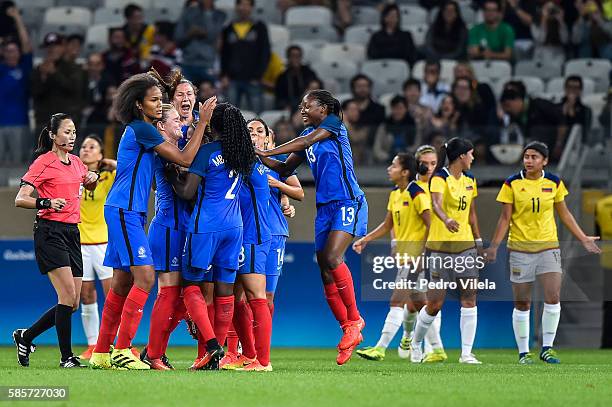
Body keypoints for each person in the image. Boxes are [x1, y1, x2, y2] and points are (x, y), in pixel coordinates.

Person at [88, 73, 216, 370]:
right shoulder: (141, 129)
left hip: (127, 210)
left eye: (161, 100)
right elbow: (184, 158)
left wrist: (171, 90)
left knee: (122, 282)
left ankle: (102, 352)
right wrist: (204, 122)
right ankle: (123, 350)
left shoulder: (143, 130)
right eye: (155, 100)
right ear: (138, 104)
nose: (161, 105)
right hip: (125, 210)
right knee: (145, 277)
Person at [256, 89, 368, 365]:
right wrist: (256, 155)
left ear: (325, 108)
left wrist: (266, 149)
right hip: (325, 209)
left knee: (332, 257)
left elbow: (302, 140)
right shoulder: (310, 143)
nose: (302, 109)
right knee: (325, 271)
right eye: (301, 105)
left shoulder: (333, 126)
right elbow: (282, 169)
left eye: (308, 106)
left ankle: (355, 320)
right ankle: (347, 328)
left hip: (347, 201)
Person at [485, 141, 601, 364]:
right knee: (522, 303)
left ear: (544, 161)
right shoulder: (511, 183)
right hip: (520, 249)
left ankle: (547, 348)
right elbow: (505, 218)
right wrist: (494, 247)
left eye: (534, 157)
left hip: (549, 248)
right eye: (526, 156)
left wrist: (583, 238)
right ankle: (523, 352)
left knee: (553, 297)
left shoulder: (554, 182)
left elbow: (565, 214)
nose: (529, 160)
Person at [170, 103, 256, 370]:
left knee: (191, 285)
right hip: (235, 228)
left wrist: (170, 175)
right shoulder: (242, 154)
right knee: (225, 291)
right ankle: (215, 358)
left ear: (212, 126)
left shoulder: (207, 151)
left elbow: (187, 192)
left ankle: (211, 346)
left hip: (206, 226)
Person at [13, 113, 99, 368]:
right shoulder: (43, 162)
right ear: (52, 135)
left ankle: (25, 337)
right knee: (67, 296)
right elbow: (20, 198)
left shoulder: (76, 162)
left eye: (74, 132)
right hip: (50, 231)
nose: (72, 137)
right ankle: (66, 358)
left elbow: (87, 186)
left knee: (72, 303)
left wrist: (92, 179)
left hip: (73, 232)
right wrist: (46, 202)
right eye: (66, 132)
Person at [354, 147, 447, 363]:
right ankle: (438, 349)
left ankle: (380, 348)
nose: (389, 169)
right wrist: (365, 239)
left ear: (405, 172)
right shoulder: (396, 194)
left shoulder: (417, 193)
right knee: (421, 306)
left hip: (417, 258)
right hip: (407, 257)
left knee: (397, 301)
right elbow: (388, 224)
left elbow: (431, 225)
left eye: (394, 165)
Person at [410, 137, 484, 364]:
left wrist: (478, 240)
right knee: (435, 304)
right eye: (470, 154)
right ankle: (415, 343)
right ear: (461, 156)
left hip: (466, 246)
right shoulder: (439, 177)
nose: (473, 158)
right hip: (440, 247)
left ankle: (466, 354)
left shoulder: (471, 179)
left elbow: (471, 213)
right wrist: (446, 219)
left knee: (469, 299)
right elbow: (437, 205)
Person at [138, 104, 190, 370]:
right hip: (168, 227)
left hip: (183, 229)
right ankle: (154, 354)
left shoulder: (177, 149)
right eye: (177, 120)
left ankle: (153, 348)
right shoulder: (165, 151)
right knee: (169, 294)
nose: (182, 123)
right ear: (161, 126)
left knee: (183, 297)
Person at [77, 136, 116, 360]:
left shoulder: (108, 176)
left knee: (111, 295)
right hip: (80, 243)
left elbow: (126, 171)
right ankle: (92, 344)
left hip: (103, 242)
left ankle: (113, 342)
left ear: (100, 154)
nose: (86, 150)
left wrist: (108, 162)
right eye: (83, 147)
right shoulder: (73, 176)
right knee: (86, 295)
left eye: (92, 147)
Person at [31, 33, 84, 156]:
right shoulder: (39, 69)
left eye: (56, 46)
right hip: (44, 124)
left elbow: (74, 89)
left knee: (68, 160)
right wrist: (43, 77)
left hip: (66, 125)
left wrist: (54, 73)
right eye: (49, 46)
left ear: (63, 47)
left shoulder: (73, 68)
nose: (52, 49)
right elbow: (35, 93)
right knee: (42, 159)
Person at [220, 0, 271, 113]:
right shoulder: (228, 28)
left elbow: (265, 53)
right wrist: (224, 75)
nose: (244, 8)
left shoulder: (260, 27)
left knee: (258, 117)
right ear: (237, 7)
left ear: (251, 7)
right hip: (232, 79)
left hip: (253, 80)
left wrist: (258, 75)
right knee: (230, 116)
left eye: (247, 5)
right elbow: (224, 54)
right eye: (241, 4)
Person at [0, 3, 31, 164]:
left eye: (14, 50)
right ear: (3, 52)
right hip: (0, 123)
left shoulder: (24, 68)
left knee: (18, 164)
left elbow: (26, 45)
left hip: (20, 124)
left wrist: (17, 18)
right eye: (8, 50)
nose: (11, 54)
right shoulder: (1, 69)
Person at [500, 86, 567, 161]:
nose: (508, 110)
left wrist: (559, 144)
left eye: (508, 105)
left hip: (556, 150)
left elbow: (562, 121)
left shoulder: (539, 105)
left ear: (517, 100)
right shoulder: (514, 117)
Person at [175, 0, 226, 85]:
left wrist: (207, 12)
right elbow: (178, 37)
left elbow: (212, 35)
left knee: (209, 96)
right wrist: (190, 34)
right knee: (187, 96)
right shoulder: (187, 13)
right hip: (188, 63)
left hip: (208, 63)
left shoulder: (219, 15)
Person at [367, 3, 416, 67]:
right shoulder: (376, 36)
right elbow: (373, 54)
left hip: (400, 67)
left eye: (396, 16)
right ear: (384, 17)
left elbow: (410, 55)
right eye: (391, 16)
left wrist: (386, 51)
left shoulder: (406, 35)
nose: (393, 19)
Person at [372, 96, 418, 164]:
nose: (397, 111)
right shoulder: (384, 126)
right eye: (395, 108)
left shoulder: (413, 125)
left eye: (400, 108)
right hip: (386, 163)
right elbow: (377, 148)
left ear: (406, 109)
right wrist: (388, 157)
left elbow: (417, 145)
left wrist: (407, 155)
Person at [274, 45, 319, 112]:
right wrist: (285, 106)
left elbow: (318, 85)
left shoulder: (308, 72)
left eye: (298, 56)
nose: (295, 59)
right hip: (290, 107)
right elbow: (279, 98)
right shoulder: (282, 77)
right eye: (293, 56)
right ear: (288, 58)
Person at [349, 74, 386, 138]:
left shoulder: (379, 109)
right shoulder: (345, 107)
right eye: (359, 86)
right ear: (353, 88)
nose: (362, 89)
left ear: (370, 88)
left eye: (365, 86)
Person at [558, 75, 592, 141]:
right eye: (569, 87)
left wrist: (571, 110)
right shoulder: (557, 107)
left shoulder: (586, 110)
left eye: (576, 88)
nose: (572, 90)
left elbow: (584, 132)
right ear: (565, 89)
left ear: (580, 90)